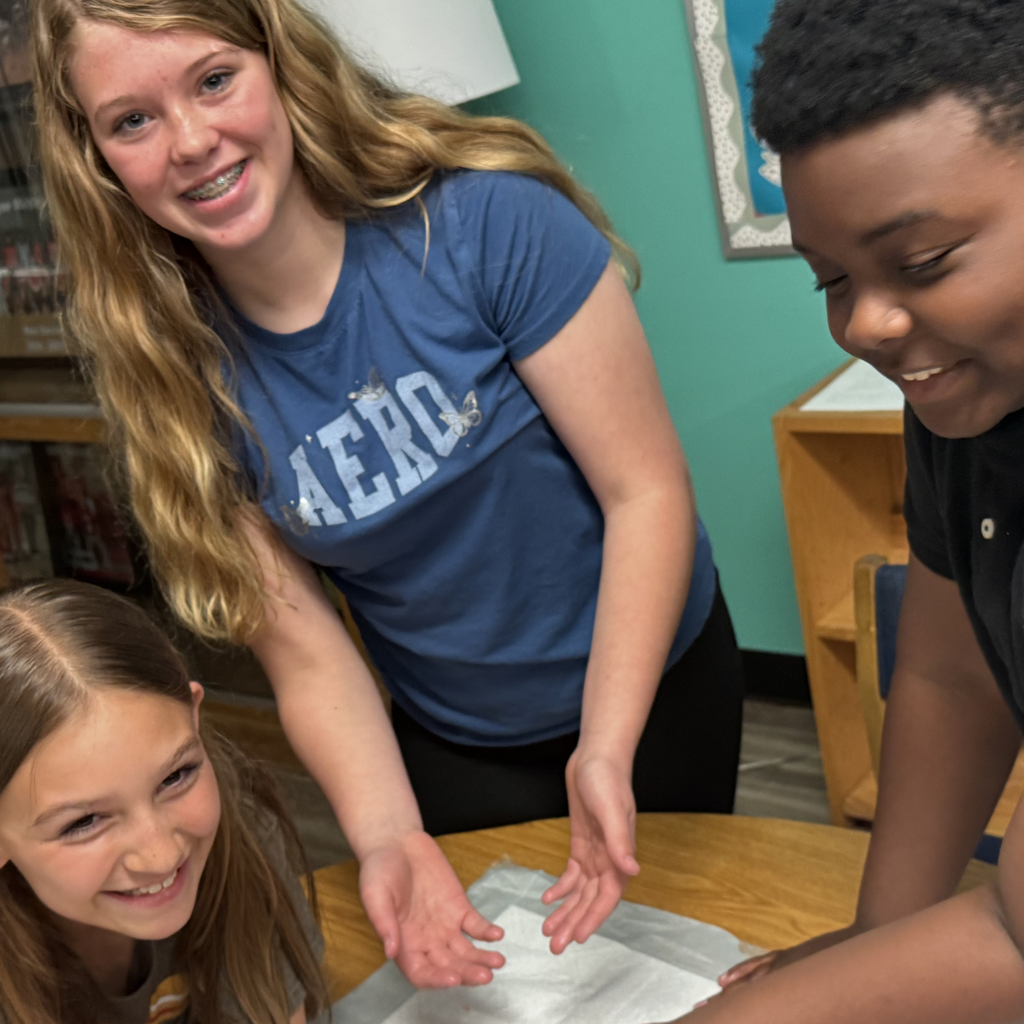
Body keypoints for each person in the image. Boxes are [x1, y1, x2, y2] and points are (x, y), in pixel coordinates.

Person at [29, 0, 745, 991]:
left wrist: (605, 745)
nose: (192, 142)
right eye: (132, 121)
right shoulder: (177, 378)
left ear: (279, 62)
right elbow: (312, 657)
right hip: (453, 734)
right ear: (96, 158)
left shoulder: (486, 224)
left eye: (213, 79)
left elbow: (646, 492)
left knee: (687, 955)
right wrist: (386, 835)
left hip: (651, 687)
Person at [642, 1, 1024, 1021]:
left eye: (925, 261)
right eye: (830, 278)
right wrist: (879, 934)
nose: (867, 323)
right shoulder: (965, 412)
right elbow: (952, 675)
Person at [0, 578, 327, 1024]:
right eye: (83, 822)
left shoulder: (248, 847)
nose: (161, 853)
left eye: (177, 776)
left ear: (195, 717)